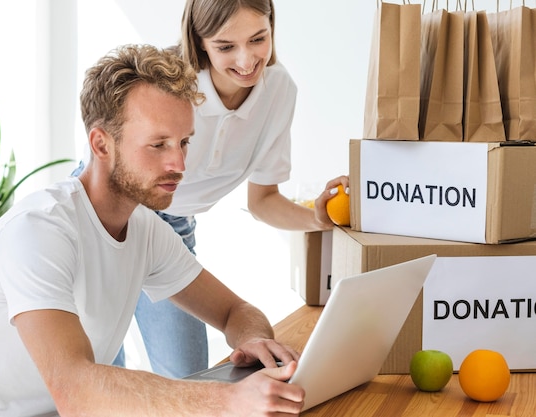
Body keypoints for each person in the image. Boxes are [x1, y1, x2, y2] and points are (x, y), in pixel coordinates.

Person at [0, 44, 305, 417]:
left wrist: (254, 339)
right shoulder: (38, 232)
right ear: (101, 144)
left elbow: (234, 311)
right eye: (158, 144)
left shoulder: (143, 229)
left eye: (184, 142)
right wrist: (227, 400)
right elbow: (78, 391)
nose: (178, 163)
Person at [100, 0, 349, 378]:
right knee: (99, 371)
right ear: (199, 41)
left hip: (174, 228)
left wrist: (320, 220)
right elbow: (109, 166)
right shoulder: (164, 83)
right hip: (109, 217)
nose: (247, 60)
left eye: (258, 38)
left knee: (186, 375)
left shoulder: (278, 91)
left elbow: (263, 200)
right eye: (225, 46)